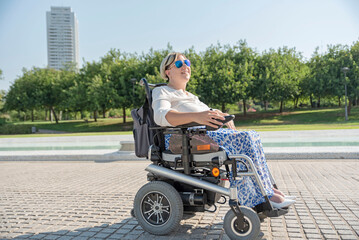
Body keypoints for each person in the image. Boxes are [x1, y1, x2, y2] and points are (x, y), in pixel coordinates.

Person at [152, 52, 296, 209]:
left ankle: (265, 189)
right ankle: (255, 197)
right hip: (180, 140)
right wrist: (198, 116)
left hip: (200, 136)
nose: (185, 66)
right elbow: (160, 116)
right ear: (167, 72)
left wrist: (222, 115)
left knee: (252, 135)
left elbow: (206, 113)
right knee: (244, 138)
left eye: (187, 62)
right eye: (179, 64)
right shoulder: (162, 91)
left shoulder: (191, 96)